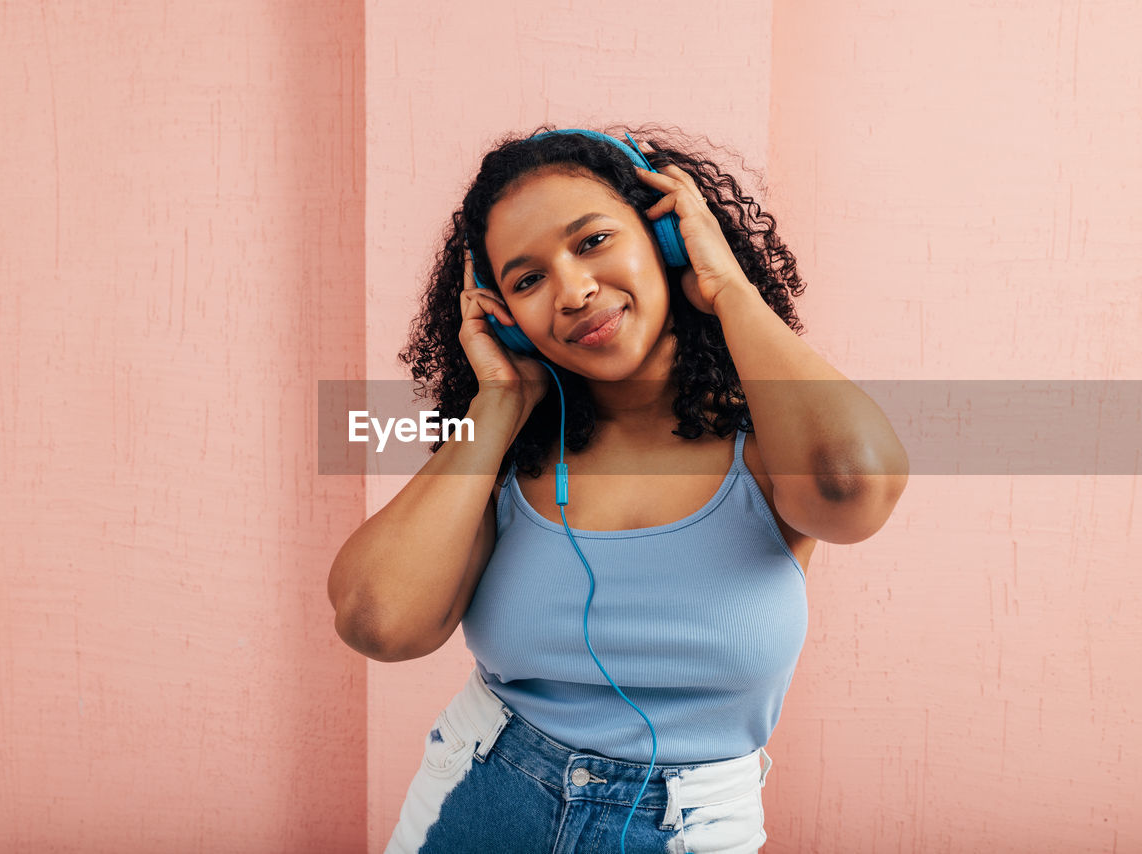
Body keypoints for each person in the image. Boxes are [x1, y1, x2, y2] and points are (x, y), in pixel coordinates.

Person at [328, 125, 909, 854]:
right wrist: (499, 402)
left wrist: (725, 286)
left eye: (593, 241)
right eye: (528, 279)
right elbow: (375, 621)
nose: (572, 291)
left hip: (691, 828)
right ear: (503, 318)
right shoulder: (512, 457)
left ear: (668, 239)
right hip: (480, 799)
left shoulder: (768, 442)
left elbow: (851, 484)